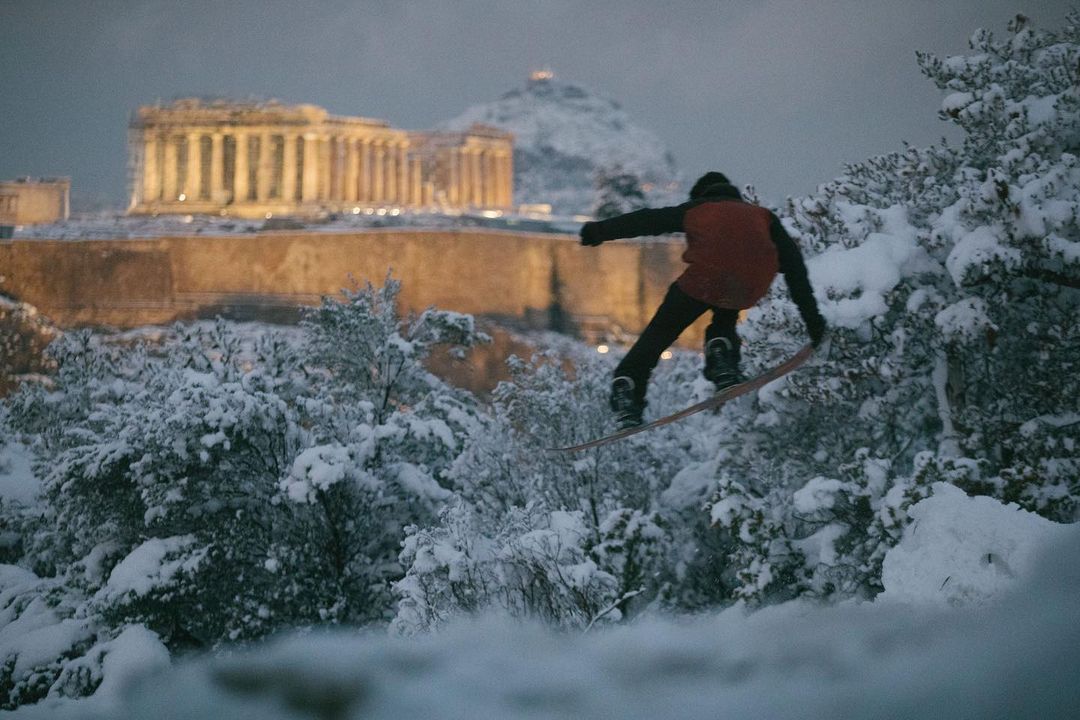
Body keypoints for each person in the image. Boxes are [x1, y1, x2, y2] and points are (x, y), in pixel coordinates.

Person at [579, 171, 826, 429]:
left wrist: (599, 231)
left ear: (701, 195)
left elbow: (647, 220)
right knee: (725, 314)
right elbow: (795, 267)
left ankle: (628, 389)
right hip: (751, 282)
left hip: (704, 279)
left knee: (660, 333)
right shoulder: (763, 217)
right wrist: (813, 321)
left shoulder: (698, 209)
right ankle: (722, 358)